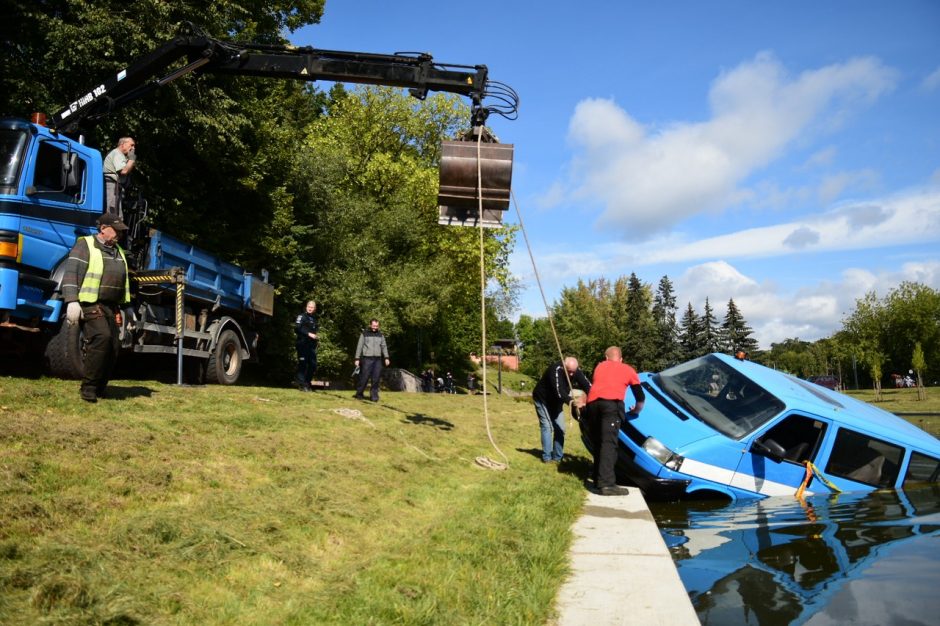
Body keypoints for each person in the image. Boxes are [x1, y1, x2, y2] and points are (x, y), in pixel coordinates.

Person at [61, 214, 131, 403]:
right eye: (117, 231)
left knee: (114, 347)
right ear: (103, 228)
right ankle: (88, 388)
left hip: (110, 306)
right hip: (90, 303)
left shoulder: (118, 251)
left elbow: (123, 282)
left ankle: (101, 388)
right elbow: (71, 273)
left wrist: (127, 307)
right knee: (102, 338)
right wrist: (71, 301)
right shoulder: (85, 245)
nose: (120, 235)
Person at [583, 347, 645, 495]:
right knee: (609, 443)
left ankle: (598, 480)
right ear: (621, 359)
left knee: (599, 442)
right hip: (610, 406)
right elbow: (640, 396)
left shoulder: (599, 366)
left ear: (606, 357)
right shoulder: (628, 369)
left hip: (592, 406)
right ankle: (607, 484)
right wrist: (636, 410)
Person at [532, 357, 592, 463]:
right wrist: (573, 402)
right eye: (569, 372)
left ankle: (557, 457)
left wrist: (592, 397)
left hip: (556, 402)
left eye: (574, 372)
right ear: (564, 366)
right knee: (547, 426)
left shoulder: (575, 371)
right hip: (543, 399)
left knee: (561, 428)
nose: (572, 374)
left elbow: (587, 386)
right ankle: (547, 458)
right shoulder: (555, 370)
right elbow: (559, 392)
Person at [354, 318, 390, 402]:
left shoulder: (381, 335)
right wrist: (357, 358)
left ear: (378, 326)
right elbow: (359, 347)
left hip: (377, 360)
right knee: (364, 378)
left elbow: (384, 346)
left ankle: (374, 396)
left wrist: (386, 358)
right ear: (370, 325)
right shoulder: (364, 334)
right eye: (373, 326)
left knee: (376, 378)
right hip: (367, 359)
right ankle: (359, 394)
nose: (375, 327)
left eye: (376, 326)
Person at [102, 137, 136, 218]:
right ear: (122, 144)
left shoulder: (121, 155)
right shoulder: (117, 153)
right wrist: (132, 159)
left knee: (117, 215)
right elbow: (124, 171)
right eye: (131, 145)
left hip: (115, 187)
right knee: (112, 214)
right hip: (112, 186)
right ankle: (108, 229)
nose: (133, 148)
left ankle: (113, 229)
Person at [294, 300, 319, 391]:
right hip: (302, 343)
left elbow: (314, 331)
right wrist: (308, 334)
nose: (310, 308)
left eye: (312, 307)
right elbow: (297, 328)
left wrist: (316, 339)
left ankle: (307, 383)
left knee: (313, 365)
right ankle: (301, 384)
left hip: (311, 345)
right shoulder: (302, 317)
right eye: (309, 306)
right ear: (306, 307)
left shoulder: (314, 318)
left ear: (314, 309)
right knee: (303, 364)